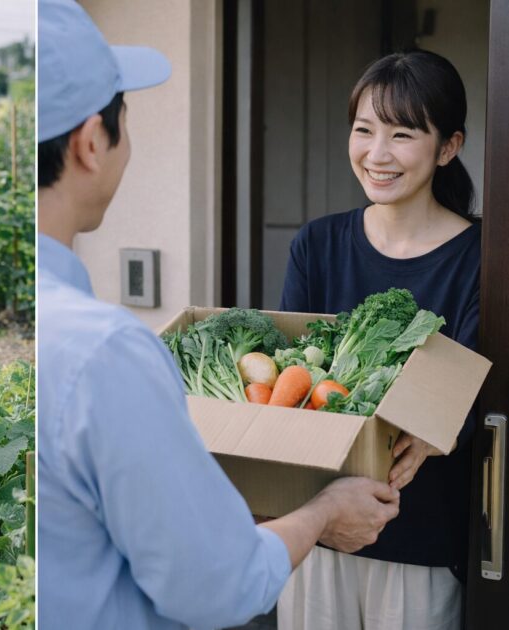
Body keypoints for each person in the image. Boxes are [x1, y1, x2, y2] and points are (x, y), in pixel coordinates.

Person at [37, 1, 401, 628]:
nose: (377, 152)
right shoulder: (105, 350)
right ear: (92, 142)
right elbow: (217, 586)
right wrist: (321, 511)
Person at [276, 50, 480, 630]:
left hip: (421, 540)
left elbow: (465, 400)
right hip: (318, 529)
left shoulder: (481, 257)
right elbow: (295, 376)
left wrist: (434, 433)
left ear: (448, 147)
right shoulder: (317, 244)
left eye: (402, 133)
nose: (377, 153)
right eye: (364, 130)